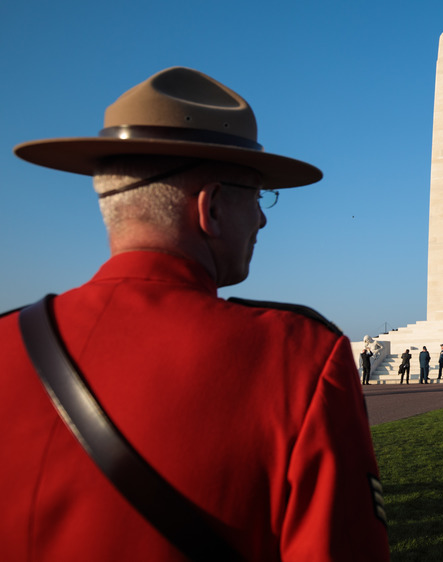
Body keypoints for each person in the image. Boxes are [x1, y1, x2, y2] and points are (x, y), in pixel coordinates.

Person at [0, 67, 389, 561]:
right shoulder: (298, 360)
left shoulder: (8, 341)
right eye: (257, 197)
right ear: (212, 208)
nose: (264, 218)